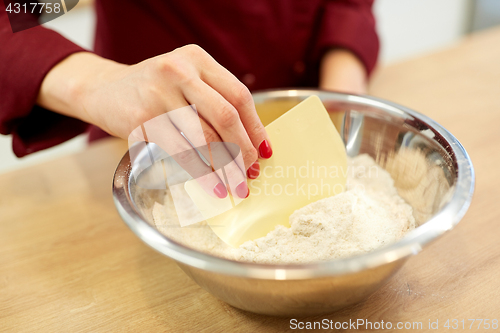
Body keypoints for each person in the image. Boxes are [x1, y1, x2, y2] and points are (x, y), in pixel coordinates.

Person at [0, 0, 379, 199]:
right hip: (150, 152)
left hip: (305, 118)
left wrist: (341, 79)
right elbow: (17, 10)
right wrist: (92, 83)